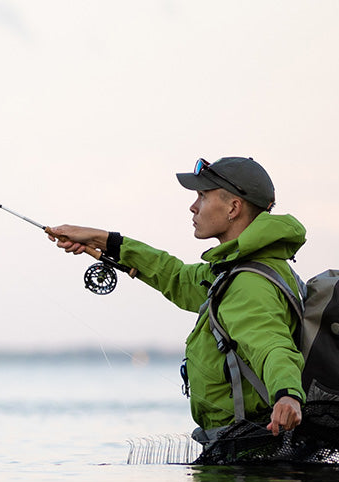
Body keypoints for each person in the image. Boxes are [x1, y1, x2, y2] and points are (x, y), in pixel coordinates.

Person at [46, 157, 305, 437]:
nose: (193, 206)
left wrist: (287, 395)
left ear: (233, 207)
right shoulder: (237, 271)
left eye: (202, 196)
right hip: (244, 444)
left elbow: (271, 345)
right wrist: (102, 240)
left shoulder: (247, 284)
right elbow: (176, 277)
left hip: (252, 449)